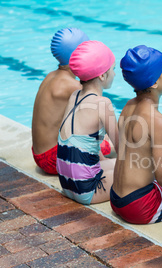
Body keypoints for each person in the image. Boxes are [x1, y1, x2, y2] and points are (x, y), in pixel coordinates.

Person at [32, 28, 112, 175]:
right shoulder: (72, 86)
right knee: (110, 144)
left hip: (40, 154)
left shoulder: (51, 76)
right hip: (51, 159)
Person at [110, 45, 162, 224]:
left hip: (117, 198)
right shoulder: (159, 122)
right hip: (140, 207)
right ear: (154, 83)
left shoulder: (128, 106)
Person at [56, 40, 118, 205]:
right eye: (113, 69)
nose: (115, 74)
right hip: (87, 190)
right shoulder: (103, 103)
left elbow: (82, 141)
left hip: (66, 185)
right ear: (103, 75)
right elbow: (123, 149)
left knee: (115, 163)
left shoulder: (74, 96)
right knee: (147, 171)